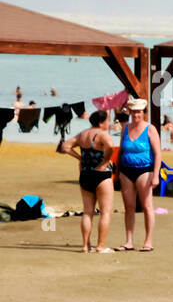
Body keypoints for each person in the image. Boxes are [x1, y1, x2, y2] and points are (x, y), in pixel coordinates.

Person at [57, 109, 116, 253]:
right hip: (101, 175)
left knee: (88, 212)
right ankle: (101, 245)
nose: (108, 123)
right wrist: (106, 161)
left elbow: (65, 146)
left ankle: (85, 246)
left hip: (85, 174)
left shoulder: (83, 134)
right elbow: (110, 146)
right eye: (107, 121)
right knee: (105, 212)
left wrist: (79, 157)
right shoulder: (102, 134)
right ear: (102, 123)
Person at [116, 98, 162, 251]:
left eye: (139, 112)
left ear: (144, 113)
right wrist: (117, 171)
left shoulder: (150, 129)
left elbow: (158, 153)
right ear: (130, 112)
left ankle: (148, 241)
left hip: (145, 170)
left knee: (147, 206)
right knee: (129, 207)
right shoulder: (125, 128)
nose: (136, 115)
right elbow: (120, 151)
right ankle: (128, 241)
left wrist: (156, 175)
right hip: (126, 170)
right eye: (134, 112)